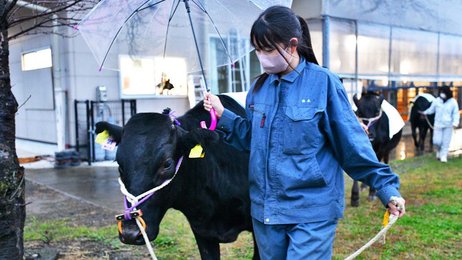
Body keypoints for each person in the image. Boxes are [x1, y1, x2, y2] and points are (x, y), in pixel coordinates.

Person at [204, 6, 405, 259]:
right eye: (257, 49)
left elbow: (352, 145)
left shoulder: (324, 83)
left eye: (268, 49)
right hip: (267, 212)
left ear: (292, 45)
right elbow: (253, 138)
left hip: (312, 211)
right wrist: (224, 115)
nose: (262, 56)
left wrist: (386, 188)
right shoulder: (259, 87)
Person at [419, 86, 460, 162]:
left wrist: (455, 122)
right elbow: (431, 110)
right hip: (438, 124)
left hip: (448, 125)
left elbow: (455, 113)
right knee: (436, 141)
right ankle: (438, 151)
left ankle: (443, 156)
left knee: (445, 142)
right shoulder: (437, 101)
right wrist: (425, 113)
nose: (442, 94)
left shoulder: (453, 102)